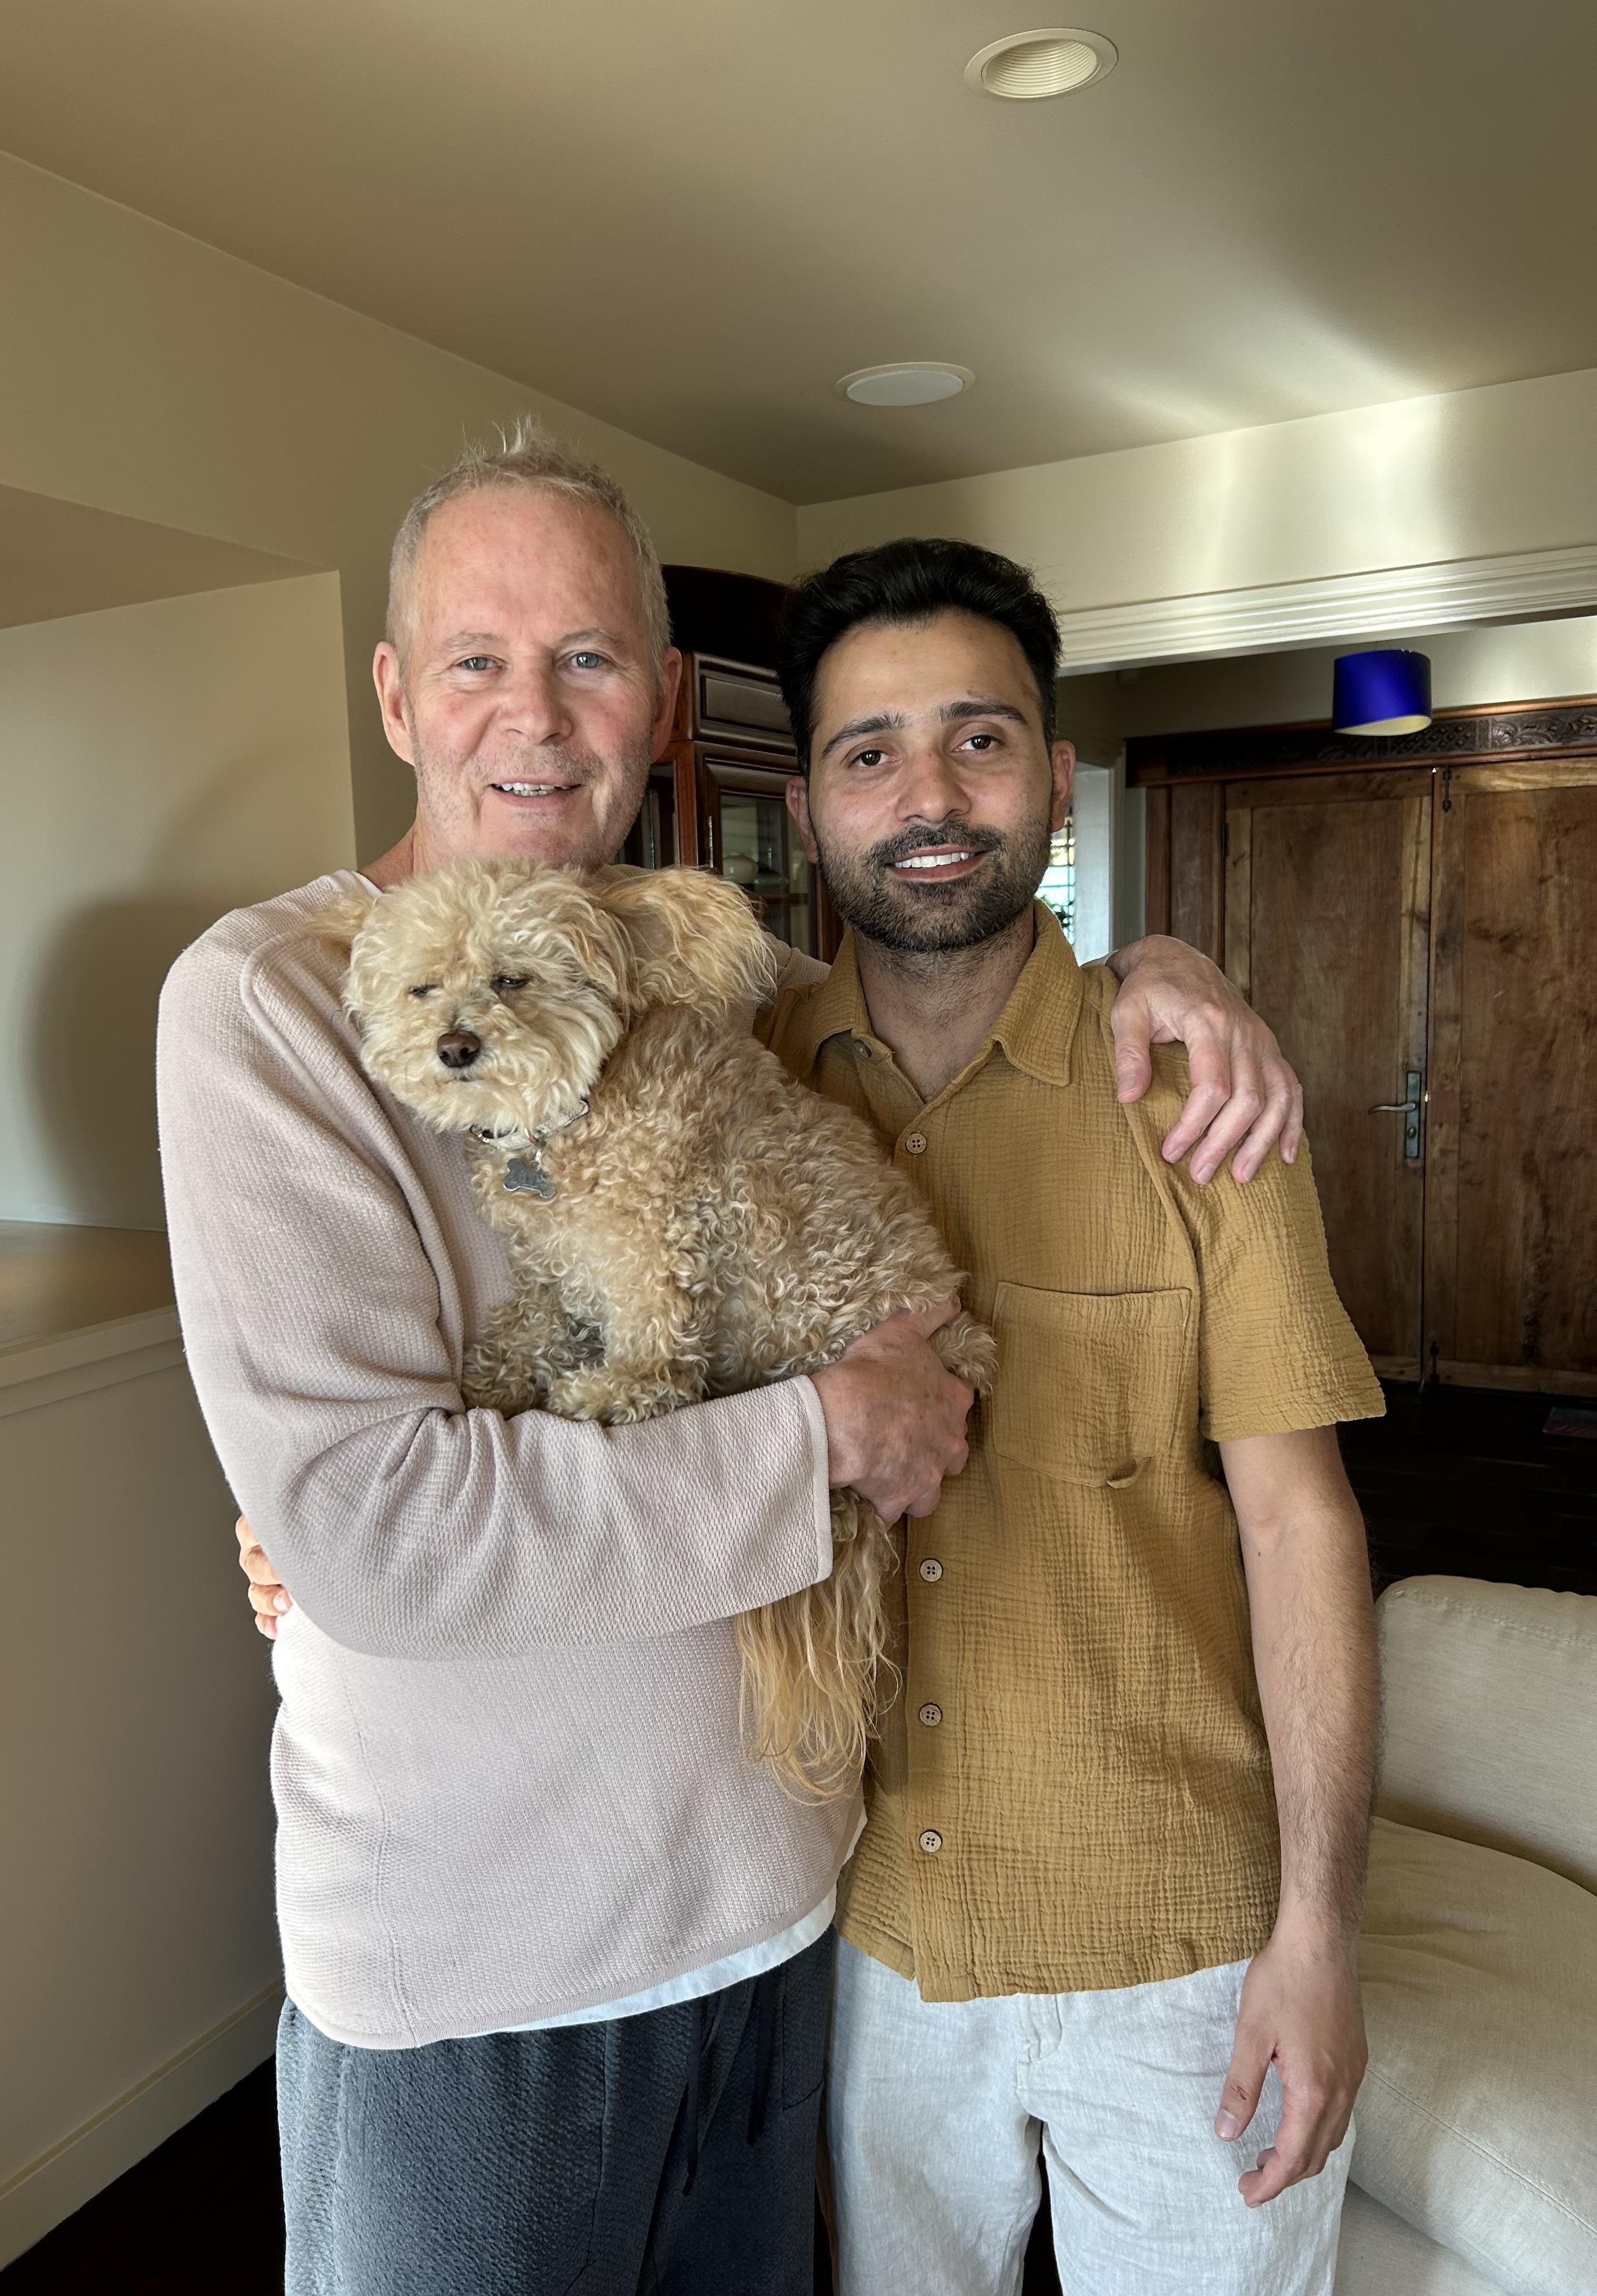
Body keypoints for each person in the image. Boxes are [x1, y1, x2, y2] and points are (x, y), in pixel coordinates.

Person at [170, 425, 1302, 2296]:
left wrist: (1170, 961)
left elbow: (952, 982)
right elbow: (383, 1529)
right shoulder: (265, 1006)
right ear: (392, 691)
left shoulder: (733, 982)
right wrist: (822, 1440)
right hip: (480, 1977)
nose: (536, 715)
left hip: (783, 1922)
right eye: (478, 659)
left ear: (666, 698)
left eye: (592, 659)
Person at [759, 536, 1383, 2294]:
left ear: (1054, 775)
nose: (930, 795)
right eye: (868, 752)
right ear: (807, 810)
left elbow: (1300, 1521)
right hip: (865, 1943)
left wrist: (1320, 1935)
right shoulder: (744, 1086)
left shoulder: (1193, 1090)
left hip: (1182, 1946)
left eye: (982, 737)